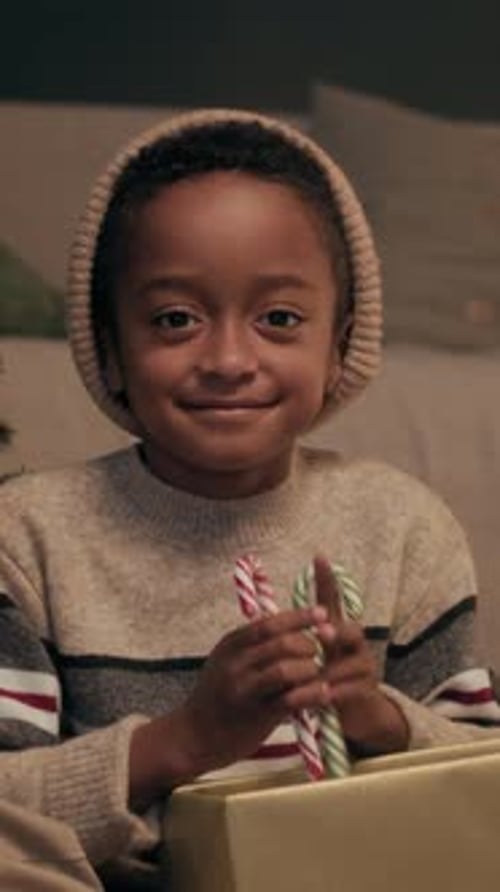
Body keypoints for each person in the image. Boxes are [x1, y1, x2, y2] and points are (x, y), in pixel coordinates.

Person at [1, 108, 499, 890]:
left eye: (279, 319)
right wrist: (186, 739)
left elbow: (481, 783)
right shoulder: (29, 538)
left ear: (339, 346)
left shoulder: (402, 527)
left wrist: (375, 716)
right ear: (109, 347)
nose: (229, 359)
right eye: (175, 319)